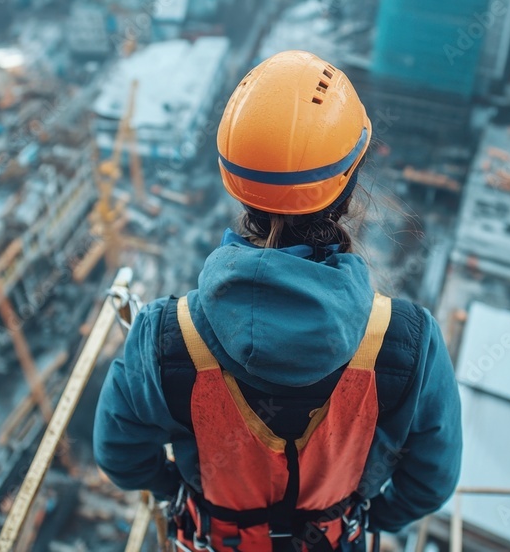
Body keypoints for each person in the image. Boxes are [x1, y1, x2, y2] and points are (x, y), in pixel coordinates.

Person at [94, 50, 462, 552]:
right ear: (349, 189)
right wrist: (363, 515)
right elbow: (432, 481)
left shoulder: (165, 339)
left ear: (236, 187)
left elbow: (119, 453)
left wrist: (183, 493)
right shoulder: (405, 344)